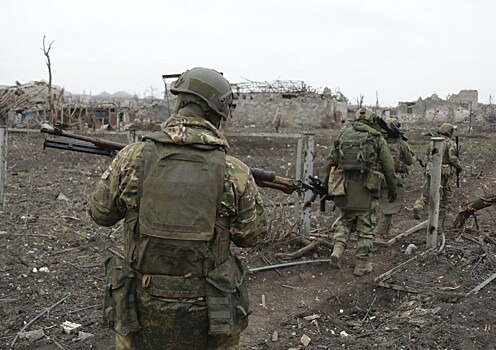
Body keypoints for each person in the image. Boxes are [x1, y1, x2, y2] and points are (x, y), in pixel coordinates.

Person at [88, 67, 268, 350]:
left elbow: (100, 214)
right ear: (217, 111)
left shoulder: (131, 158)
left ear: (180, 102)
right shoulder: (234, 172)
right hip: (212, 308)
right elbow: (253, 235)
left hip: (139, 304)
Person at [321, 108, 397, 276]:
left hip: (344, 188)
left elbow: (329, 162)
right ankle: (362, 265)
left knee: (345, 220)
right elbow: (389, 167)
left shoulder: (343, 136)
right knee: (366, 227)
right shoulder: (376, 138)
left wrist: (325, 185)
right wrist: (392, 189)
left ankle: (338, 250)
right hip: (366, 189)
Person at [375, 117, 414, 241]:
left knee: (380, 205)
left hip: (377, 177)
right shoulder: (401, 144)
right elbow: (409, 160)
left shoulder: (379, 142)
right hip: (394, 178)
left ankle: (384, 230)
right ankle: (379, 233)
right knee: (390, 207)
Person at [413, 122, 462, 220]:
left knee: (427, 190)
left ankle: (419, 206)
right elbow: (452, 158)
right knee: (446, 191)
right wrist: (459, 167)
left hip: (430, 169)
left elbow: (426, 156)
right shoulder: (451, 143)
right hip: (444, 171)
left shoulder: (433, 142)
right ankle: (443, 212)